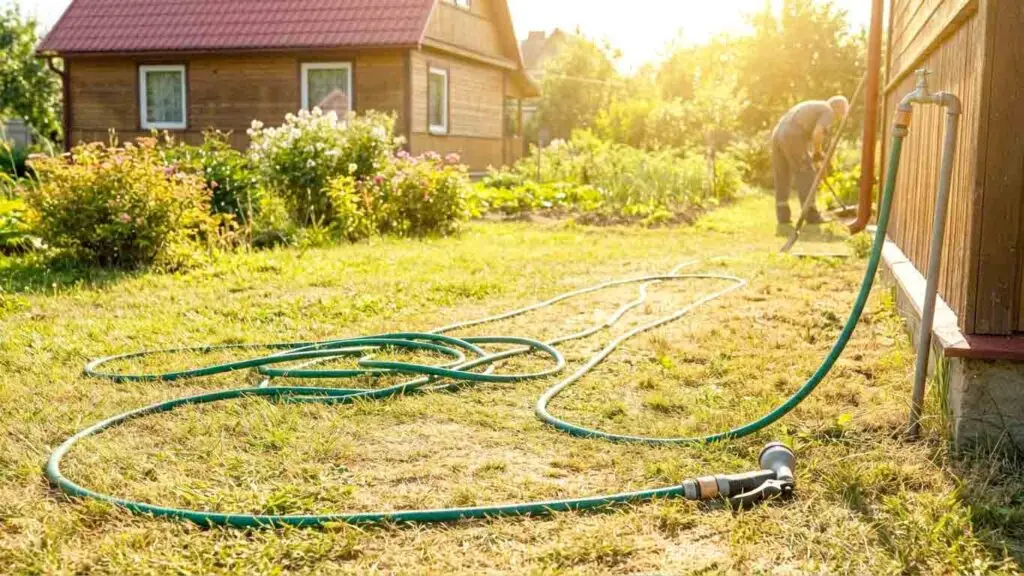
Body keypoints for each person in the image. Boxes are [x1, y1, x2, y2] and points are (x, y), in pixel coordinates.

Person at [771, 95, 849, 228]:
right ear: (838, 108)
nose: (837, 118)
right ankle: (811, 214)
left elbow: (806, 133)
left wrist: (816, 161)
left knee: (782, 174)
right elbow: (818, 133)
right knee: (806, 173)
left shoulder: (814, 105)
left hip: (778, 133)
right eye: (841, 114)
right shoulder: (828, 111)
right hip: (792, 135)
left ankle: (782, 216)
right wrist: (817, 153)